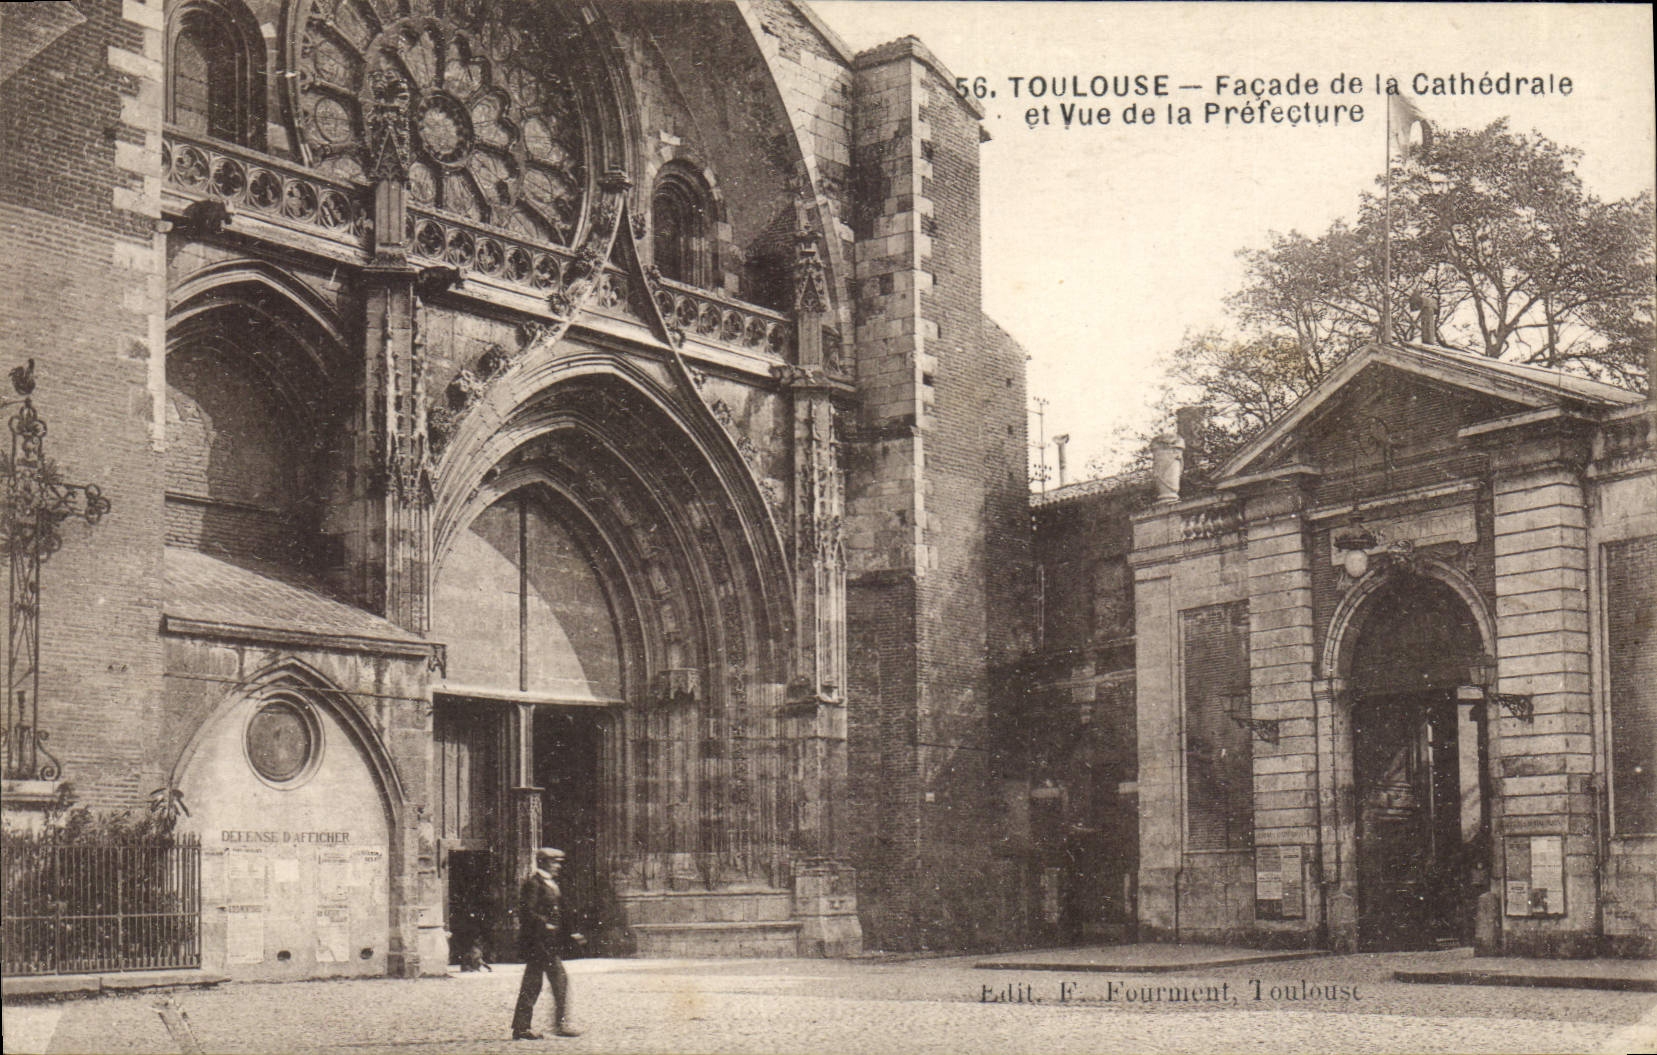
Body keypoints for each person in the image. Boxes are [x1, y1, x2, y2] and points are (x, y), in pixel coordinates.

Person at [511, 847, 583, 1040]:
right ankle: (555, 1025)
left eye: (559, 863)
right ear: (543, 862)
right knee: (549, 982)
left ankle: (524, 1027)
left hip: (548, 944)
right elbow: (526, 912)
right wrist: (545, 924)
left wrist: (571, 931)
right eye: (554, 862)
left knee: (539, 983)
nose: (558, 866)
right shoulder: (534, 884)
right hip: (538, 943)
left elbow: (560, 910)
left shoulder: (551, 883)